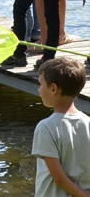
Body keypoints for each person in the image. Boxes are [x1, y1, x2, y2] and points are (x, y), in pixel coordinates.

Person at [31, 57, 90, 196]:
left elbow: (59, 178)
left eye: (40, 84)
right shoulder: (88, 122)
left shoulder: (45, 127)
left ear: (53, 88)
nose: (39, 90)